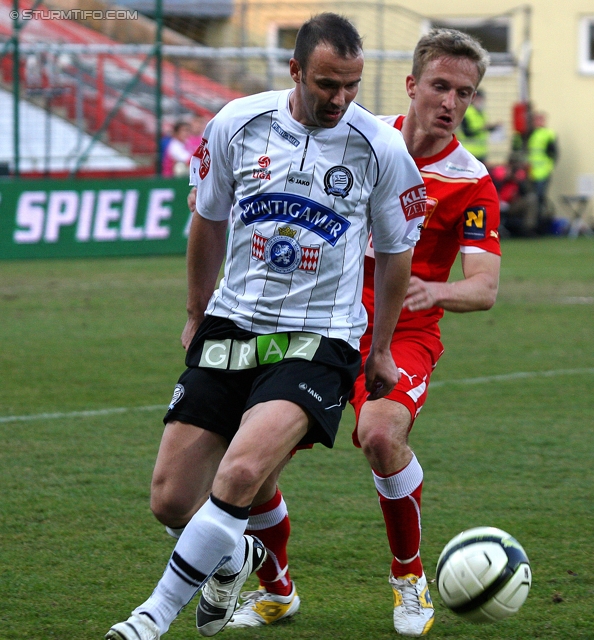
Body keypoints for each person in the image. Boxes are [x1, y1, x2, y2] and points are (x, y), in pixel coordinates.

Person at [105, 12, 426, 640]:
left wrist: (380, 347)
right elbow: (207, 219)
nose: (340, 100)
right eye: (327, 84)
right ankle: (239, 555)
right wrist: (197, 312)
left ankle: (152, 617)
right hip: (233, 325)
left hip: (320, 339)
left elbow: (395, 256)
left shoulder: (380, 148)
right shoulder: (236, 123)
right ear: (295, 70)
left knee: (243, 475)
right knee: (171, 501)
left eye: (352, 86)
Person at [227, 28, 502, 638]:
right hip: (321, 322)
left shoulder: (471, 181)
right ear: (411, 84)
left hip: (403, 334)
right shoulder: (360, 139)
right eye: (440, 86)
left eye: (465, 92)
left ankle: (408, 576)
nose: (451, 102)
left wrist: (437, 290)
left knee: (379, 434)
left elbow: (484, 287)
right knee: (253, 459)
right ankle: (276, 591)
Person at [512, 111, 558, 233]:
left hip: (541, 173)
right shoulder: (527, 134)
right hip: (529, 174)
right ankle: (531, 225)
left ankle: (538, 226)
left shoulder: (548, 134)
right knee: (532, 200)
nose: (539, 122)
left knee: (539, 200)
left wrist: (548, 168)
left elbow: (554, 153)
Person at [456, 88, 500, 164]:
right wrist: (484, 128)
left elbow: (483, 129)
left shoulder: (482, 113)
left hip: (481, 153)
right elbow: (467, 132)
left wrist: (493, 127)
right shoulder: (467, 112)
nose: (482, 102)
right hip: (468, 152)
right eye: (480, 99)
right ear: (474, 99)